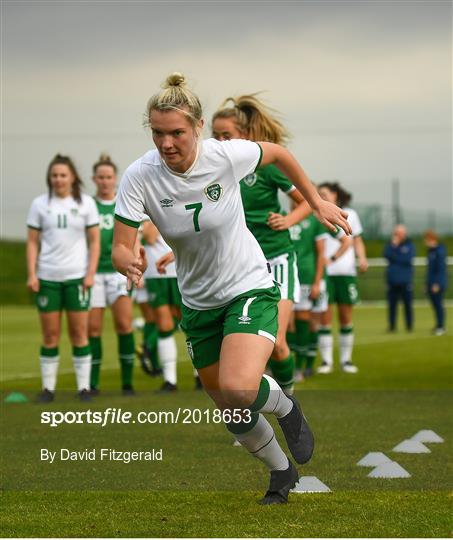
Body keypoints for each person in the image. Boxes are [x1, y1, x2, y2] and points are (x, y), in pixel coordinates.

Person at [112, 73, 350, 505]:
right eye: (158, 133)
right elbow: (120, 247)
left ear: (198, 127)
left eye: (177, 133)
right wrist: (127, 260)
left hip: (248, 287)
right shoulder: (139, 176)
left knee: (241, 388)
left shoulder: (225, 156)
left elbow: (278, 153)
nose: (167, 143)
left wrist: (315, 202)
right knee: (233, 410)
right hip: (197, 303)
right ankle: (281, 472)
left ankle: (287, 407)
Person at [211, 95, 311, 395]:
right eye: (214, 135)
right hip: (239, 267)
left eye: (226, 135)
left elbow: (306, 201)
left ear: (244, 135)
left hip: (277, 259)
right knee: (241, 352)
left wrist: (288, 220)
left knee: (277, 344)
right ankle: (253, 418)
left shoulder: (266, 167)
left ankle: (289, 405)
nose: (219, 141)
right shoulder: (213, 171)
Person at [26, 154, 100, 401]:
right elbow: (33, 242)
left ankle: (84, 388)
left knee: (79, 333)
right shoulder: (40, 204)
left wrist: (90, 274)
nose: (58, 179)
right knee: (50, 335)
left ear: (72, 178)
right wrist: (32, 274)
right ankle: (48, 389)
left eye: (63, 175)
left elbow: (95, 241)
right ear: (50, 178)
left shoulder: (86, 203)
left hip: (77, 278)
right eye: (54, 175)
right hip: (48, 278)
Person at [88, 153, 136, 395]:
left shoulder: (123, 203)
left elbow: (136, 235)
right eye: (101, 177)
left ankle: (127, 383)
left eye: (109, 177)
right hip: (94, 274)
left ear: (115, 179)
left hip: (118, 272)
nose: (105, 181)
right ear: (94, 179)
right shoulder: (88, 205)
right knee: (93, 329)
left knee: (124, 324)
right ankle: (92, 384)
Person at [288, 211, 351, 380]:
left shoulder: (318, 219)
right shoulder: (287, 217)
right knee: (290, 323)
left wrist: (331, 260)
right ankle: (294, 365)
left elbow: (345, 241)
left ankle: (307, 365)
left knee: (313, 322)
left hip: (314, 280)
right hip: (293, 277)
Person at [317, 182, 367, 374]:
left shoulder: (350, 214)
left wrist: (362, 258)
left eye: (324, 194)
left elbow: (356, 240)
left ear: (335, 195)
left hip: (345, 272)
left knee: (346, 317)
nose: (321, 197)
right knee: (325, 318)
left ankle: (346, 360)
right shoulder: (317, 213)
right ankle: (326, 362)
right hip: (325, 274)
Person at [384, 224, 415, 332]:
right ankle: (392, 326)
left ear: (404, 234)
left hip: (405, 281)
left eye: (400, 233)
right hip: (392, 281)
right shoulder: (390, 245)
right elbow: (386, 255)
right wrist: (394, 247)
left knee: (408, 305)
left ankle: (409, 326)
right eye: (396, 233)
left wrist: (395, 255)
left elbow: (406, 259)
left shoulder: (410, 245)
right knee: (392, 306)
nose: (398, 235)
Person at [423, 229, 447, 335]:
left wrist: (437, 283)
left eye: (426, 239)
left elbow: (440, 269)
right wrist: (427, 284)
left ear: (431, 239)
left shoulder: (440, 251)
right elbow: (430, 271)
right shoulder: (430, 252)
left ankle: (441, 326)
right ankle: (438, 325)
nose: (425, 242)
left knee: (438, 304)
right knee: (434, 305)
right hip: (431, 283)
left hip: (438, 284)